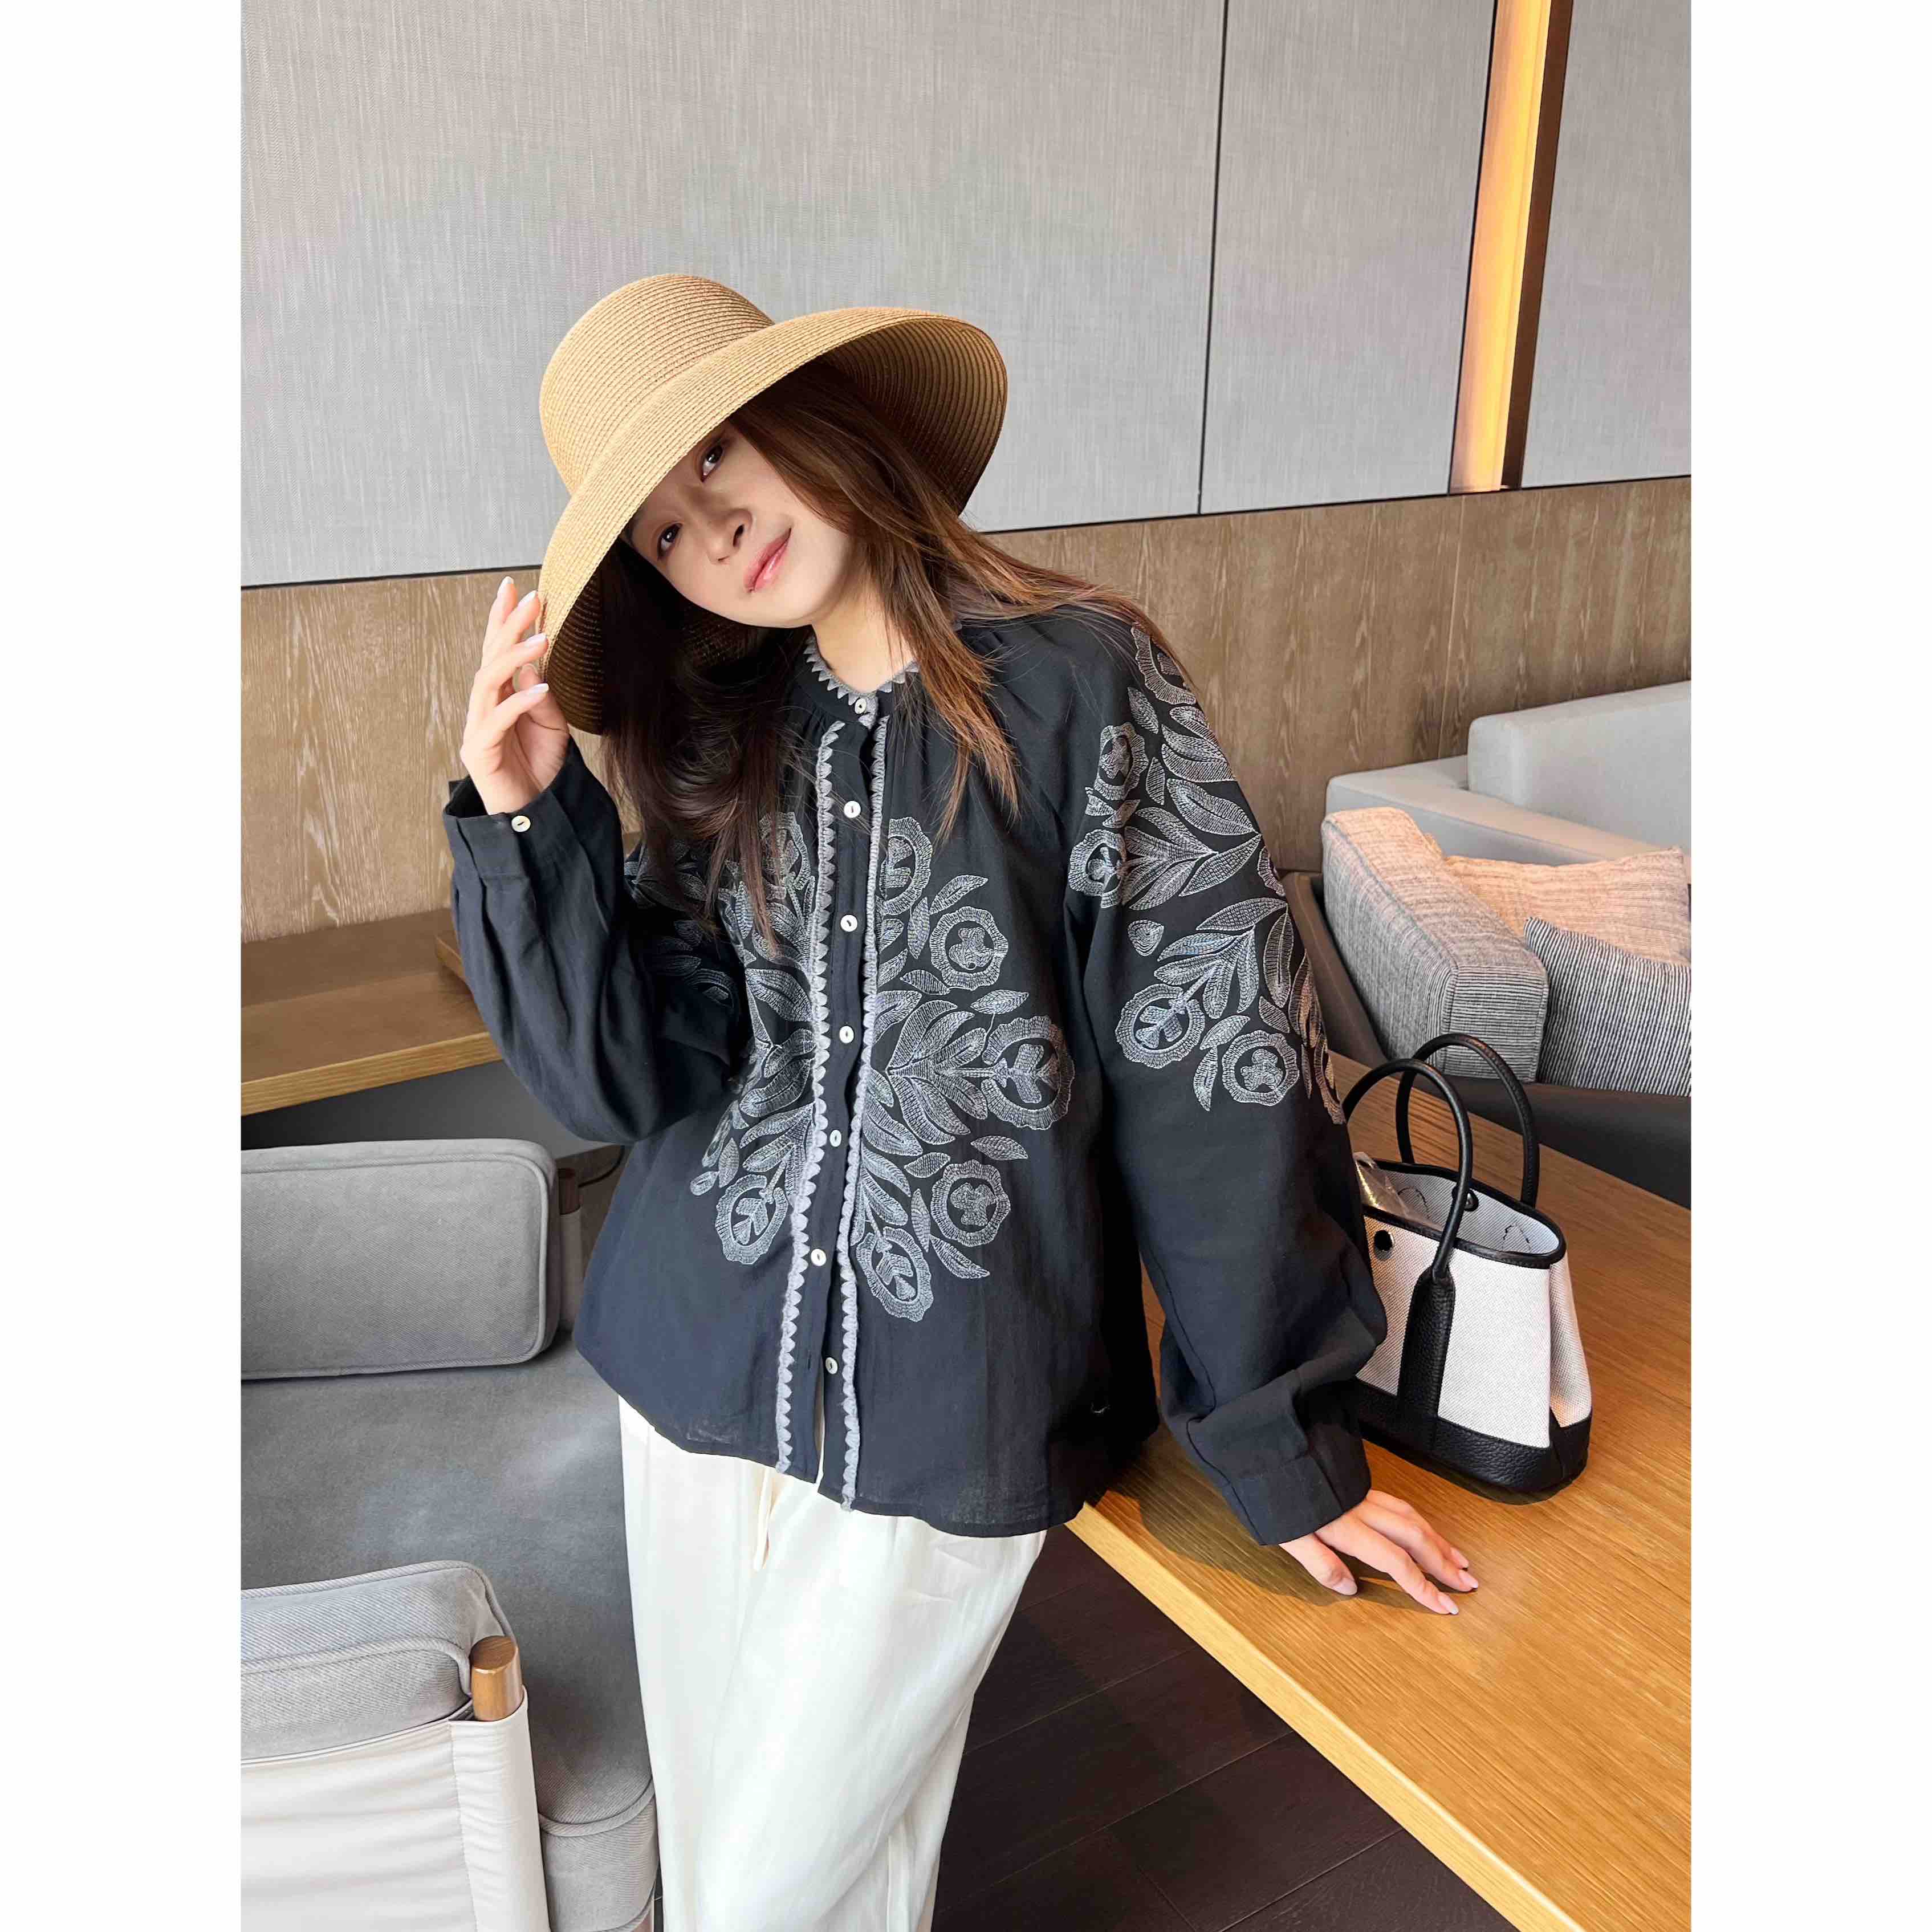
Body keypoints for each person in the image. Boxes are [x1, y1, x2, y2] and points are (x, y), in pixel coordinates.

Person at [442, 275, 1475, 1932]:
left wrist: (1285, 1440)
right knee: (759, 1875)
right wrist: (523, 828)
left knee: (763, 1902)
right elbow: (624, 1078)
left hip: (959, 1386)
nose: (715, 528)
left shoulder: (1080, 680)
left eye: (719, 455)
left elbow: (1216, 1070)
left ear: (818, 418)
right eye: (663, 532)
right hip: (690, 1362)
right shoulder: (722, 732)